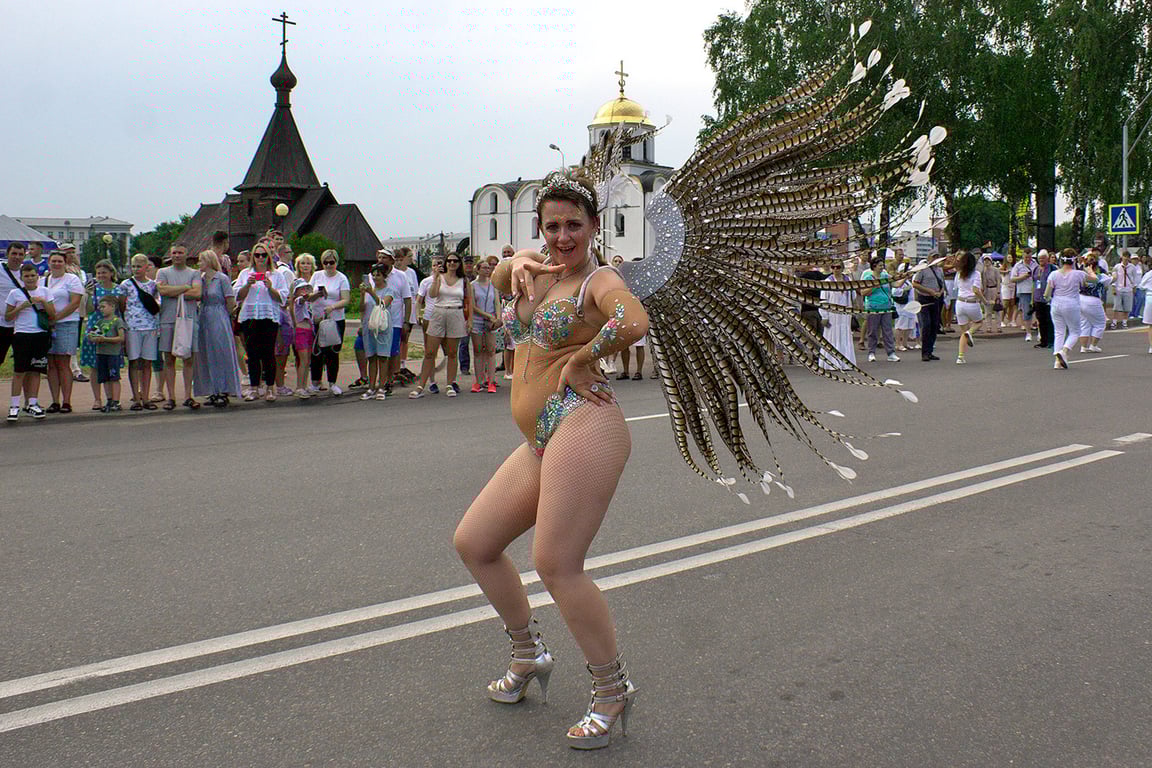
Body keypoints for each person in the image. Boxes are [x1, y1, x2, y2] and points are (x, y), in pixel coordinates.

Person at [452, 170, 646, 749]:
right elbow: (502, 270)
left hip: (585, 421)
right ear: (539, 227)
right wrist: (514, 269)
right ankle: (529, 652)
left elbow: (633, 321)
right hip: (541, 435)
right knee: (475, 542)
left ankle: (613, 692)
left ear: (593, 228)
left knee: (557, 563)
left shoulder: (598, 279)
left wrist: (584, 357)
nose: (564, 236)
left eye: (574, 225)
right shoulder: (536, 269)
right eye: (552, 225)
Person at [410, 253, 471, 398]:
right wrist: (437, 278)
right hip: (438, 313)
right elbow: (432, 294)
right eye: (449, 261)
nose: (451, 263)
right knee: (430, 352)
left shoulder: (463, 280)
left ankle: (450, 384)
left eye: (455, 261)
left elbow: (469, 301)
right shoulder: (439, 278)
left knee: (451, 352)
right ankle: (421, 386)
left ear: (459, 263)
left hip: (456, 313)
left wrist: (470, 320)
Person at [236, 242, 288, 401]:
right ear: (253, 257)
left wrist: (270, 287)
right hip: (250, 315)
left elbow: (282, 298)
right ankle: (253, 387)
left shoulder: (276, 274)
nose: (260, 258)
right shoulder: (245, 273)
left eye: (263, 255)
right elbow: (238, 295)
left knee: (268, 353)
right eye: (257, 255)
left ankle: (270, 388)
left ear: (269, 257)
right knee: (252, 353)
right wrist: (247, 285)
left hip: (268, 316)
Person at [155, 244, 203, 410]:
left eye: (180, 252)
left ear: (186, 254)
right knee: (169, 358)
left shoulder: (194, 273)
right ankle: (171, 397)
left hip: (189, 319)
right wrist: (184, 288)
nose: (177, 255)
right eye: (174, 252)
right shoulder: (163, 272)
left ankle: (188, 396)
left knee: (188, 359)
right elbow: (162, 291)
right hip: (168, 319)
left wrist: (173, 290)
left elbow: (197, 293)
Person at [192, 250, 241, 407]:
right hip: (204, 315)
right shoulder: (200, 280)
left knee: (220, 351)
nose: (199, 264)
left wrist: (226, 316)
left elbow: (230, 301)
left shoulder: (221, 279)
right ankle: (212, 389)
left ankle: (224, 389)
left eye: (201, 261)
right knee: (206, 352)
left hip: (218, 314)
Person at [41, 250, 85, 413]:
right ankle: (55, 401)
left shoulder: (72, 280)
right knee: (51, 364)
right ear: (49, 262)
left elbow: (74, 303)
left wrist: (56, 317)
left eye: (60, 261)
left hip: (66, 324)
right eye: (54, 261)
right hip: (48, 326)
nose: (56, 264)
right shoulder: (43, 280)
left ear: (65, 263)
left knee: (63, 362)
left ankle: (67, 401)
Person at [79, 260, 125, 410]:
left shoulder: (119, 290)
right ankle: (97, 398)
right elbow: (90, 310)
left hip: (113, 330)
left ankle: (112, 399)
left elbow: (122, 309)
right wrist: (89, 294)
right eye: (98, 273)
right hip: (95, 328)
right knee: (95, 366)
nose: (101, 275)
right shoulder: (95, 289)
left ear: (111, 273)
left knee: (111, 365)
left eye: (104, 272)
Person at [121, 254, 161, 410]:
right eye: (134, 266)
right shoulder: (126, 284)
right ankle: (136, 397)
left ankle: (146, 396)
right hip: (133, 327)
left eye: (139, 266)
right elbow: (122, 304)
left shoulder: (153, 285)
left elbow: (157, 304)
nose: (136, 269)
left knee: (147, 362)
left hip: (149, 326)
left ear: (146, 267)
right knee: (134, 361)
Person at [1044, 248, 1095, 370]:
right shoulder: (1078, 274)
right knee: (1075, 331)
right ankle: (1064, 350)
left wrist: (1049, 300)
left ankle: (1057, 361)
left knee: (1059, 331)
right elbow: (1094, 280)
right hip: (1071, 304)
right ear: (1073, 260)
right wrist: (1090, 271)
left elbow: (1047, 293)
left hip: (1056, 304)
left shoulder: (1054, 274)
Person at [308, 249, 350, 396]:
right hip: (318, 318)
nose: (328, 265)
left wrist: (332, 306)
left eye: (331, 262)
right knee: (317, 351)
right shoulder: (317, 275)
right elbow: (308, 295)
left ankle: (333, 382)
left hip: (335, 319)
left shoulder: (341, 278)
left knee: (333, 351)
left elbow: (346, 299)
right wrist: (317, 294)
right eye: (325, 262)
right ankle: (315, 382)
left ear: (336, 262)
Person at [359, 263, 397, 400]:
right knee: (371, 357)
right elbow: (362, 308)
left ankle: (382, 386)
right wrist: (363, 295)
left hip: (382, 327)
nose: (375, 278)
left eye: (378, 275)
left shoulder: (389, 290)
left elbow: (382, 304)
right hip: (368, 326)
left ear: (384, 276)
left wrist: (371, 292)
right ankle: (371, 387)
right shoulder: (370, 290)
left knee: (382, 357)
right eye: (373, 275)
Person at [87, 295, 126, 412]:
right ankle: (109, 400)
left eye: (103, 306)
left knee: (114, 377)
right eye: (100, 307)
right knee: (104, 378)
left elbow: (121, 338)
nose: (101, 309)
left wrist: (105, 339)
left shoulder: (117, 321)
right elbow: (91, 334)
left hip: (113, 354)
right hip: (101, 353)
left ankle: (116, 401)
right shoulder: (99, 322)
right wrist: (93, 338)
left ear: (112, 307)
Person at [469, 257, 502, 392]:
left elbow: (497, 303)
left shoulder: (493, 284)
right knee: (478, 351)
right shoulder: (472, 285)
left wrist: (498, 318)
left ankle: (491, 380)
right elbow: (472, 305)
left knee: (491, 350)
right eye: (484, 268)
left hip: (491, 322)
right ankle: (479, 380)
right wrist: (487, 315)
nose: (487, 270)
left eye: (488, 268)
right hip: (478, 320)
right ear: (478, 270)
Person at [860, 253, 900, 362]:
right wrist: (873, 287)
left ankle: (891, 353)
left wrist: (905, 278)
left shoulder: (885, 276)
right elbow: (863, 292)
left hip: (886, 307)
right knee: (872, 331)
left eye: (883, 265)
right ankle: (871, 352)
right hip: (873, 307)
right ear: (874, 266)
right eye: (880, 265)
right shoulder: (868, 277)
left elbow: (896, 284)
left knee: (887, 331)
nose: (882, 267)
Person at [819, 261, 856, 369]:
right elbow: (823, 300)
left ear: (842, 268)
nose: (836, 269)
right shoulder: (828, 281)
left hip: (845, 314)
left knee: (845, 335)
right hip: (832, 314)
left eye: (838, 267)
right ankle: (831, 363)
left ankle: (846, 362)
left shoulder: (848, 280)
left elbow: (853, 296)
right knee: (832, 336)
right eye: (833, 267)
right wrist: (824, 316)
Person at [60, 243, 89, 383]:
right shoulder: (62, 269)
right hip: (67, 308)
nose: (72, 255)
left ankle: (72, 368)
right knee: (68, 341)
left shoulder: (77, 269)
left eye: (73, 252)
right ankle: (73, 369)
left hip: (79, 308)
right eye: (69, 253)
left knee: (74, 341)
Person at [416, 255, 444, 394]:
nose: (436, 267)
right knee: (430, 351)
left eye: (439, 264)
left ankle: (452, 381)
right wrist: (417, 315)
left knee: (449, 351)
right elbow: (419, 300)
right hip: (429, 317)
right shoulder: (426, 282)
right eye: (434, 265)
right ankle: (432, 381)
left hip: (445, 317)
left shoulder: (448, 281)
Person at [392, 246, 419, 383]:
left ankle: (403, 364)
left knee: (405, 339)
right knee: (396, 339)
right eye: (407, 256)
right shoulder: (394, 273)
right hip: (397, 309)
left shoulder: (411, 273)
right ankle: (395, 368)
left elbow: (415, 292)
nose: (410, 259)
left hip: (410, 309)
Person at [952, 251, 983, 364]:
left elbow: (955, 287)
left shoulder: (959, 273)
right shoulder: (976, 274)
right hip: (972, 303)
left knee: (962, 332)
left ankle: (960, 356)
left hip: (960, 303)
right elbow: (976, 290)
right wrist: (985, 301)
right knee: (979, 322)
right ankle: (970, 332)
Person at [1, 242, 28, 368]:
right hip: (1, 323)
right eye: (14, 254)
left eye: (20, 254)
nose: (17, 257)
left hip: (22, 325)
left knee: (22, 363)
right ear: (7, 254)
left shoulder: (27, 272)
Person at [912, 256, 944, 361]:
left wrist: (940, 292)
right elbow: (915, 284)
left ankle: (930, 351)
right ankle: (924, 352)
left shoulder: (939, 270)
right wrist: (929, 291)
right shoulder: (923, 269)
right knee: (926, 325)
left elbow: (941, 284)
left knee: (935, 325)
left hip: (936, 299)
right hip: (924, 299)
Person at [287, 279, 315, 397]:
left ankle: (304, 385)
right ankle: (299, 387)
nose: (304, 291)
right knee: (303, 361)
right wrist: (309, 296)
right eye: (301, 289)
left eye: (306, 288)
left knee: (307, 360)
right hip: (301, 331)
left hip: (309, 331)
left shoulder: (307, 304)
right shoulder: (298, 301)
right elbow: (302, 299)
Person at [1078, 257, 1108, 354]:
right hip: (1093, 300)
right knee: (1100, 322)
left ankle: (1083, 347)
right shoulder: (1100, 277)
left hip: (1080, 298)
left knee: (1084, 323)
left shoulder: (1081, 276)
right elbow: (1111, 280)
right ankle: (1093, 345)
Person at [1010, 248, 1038, 341]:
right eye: (1026, 257)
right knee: (1026, 312)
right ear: (1023, 256)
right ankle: (1028, 333)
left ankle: (1040, 333)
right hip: (1024, 291)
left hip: (1035, 290)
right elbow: (1012, 279)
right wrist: (1023, 276)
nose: (1028, 259)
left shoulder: (1035, 264)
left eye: (1029, 257)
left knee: (1039, 311)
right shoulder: (1018, 265)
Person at [1031, 250, 1056, 349]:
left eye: (1043, 258)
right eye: (1039, 258)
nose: (1041, 260)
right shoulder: (1036, 269)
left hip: (1049, 299)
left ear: (1047, 259)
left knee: (1049, 320)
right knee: (1040, 320)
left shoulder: (1052, 269)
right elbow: (1034, 283)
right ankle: (1043, 341)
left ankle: (1051, 341)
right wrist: (1032, 299)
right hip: (1038, 298)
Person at [499, 244, 517, 379]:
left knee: (516, 343)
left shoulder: (517, 269)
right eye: (504, 252)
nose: (506, 254)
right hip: (505, 309)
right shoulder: (499, 272)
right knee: (507, 343)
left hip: (516, 310)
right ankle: (507, 370)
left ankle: (515, 369)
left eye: (509, 252)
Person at [891, 263, 918, 351]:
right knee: (900, 326)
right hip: (901, 307)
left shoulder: (908, 281)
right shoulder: (899, 281)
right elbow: (895, 292)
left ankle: (905, 343)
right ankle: (898, 344)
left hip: (909, 306)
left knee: (908, 326)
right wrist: (904, 290)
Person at [1110, 250, 1139, 329]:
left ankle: (1124, 322)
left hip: (1128, 289)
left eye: (1127, 257)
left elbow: (1135, 278)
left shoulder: (1132, 267)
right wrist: (1113, 287)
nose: (1125, 258)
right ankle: (1114, 322)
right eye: (1124, 256)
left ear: (1129, 258)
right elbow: (1114, 277)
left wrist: (1134, 287)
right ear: (1122, 257)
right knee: (1116, 307)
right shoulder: (1117, 266)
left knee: (1127, 307)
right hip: (1119, 288)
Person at [998, 254, 1016, 327]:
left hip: (1012, 286)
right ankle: (1001, 320)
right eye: (1008, 257)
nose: (1010, 258)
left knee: (1011, 304)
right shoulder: (1003, 267)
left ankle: (1010, 320)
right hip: (1005, 286)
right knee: (1005, 304)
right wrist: (1005, 272)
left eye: (1011, 257)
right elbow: (999, 271)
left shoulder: (1013, 267)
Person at [1139, 266, 1152, 353]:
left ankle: (1151, 347)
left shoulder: (1148, 274)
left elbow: (1141, 286)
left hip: (1150, 296)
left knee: (1151, 325)